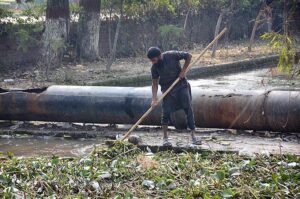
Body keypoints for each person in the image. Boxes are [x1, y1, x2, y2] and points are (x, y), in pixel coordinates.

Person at [147, 47, 202, 146]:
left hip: (181, 86)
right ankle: (165, 138)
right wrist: (154, 99)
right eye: (151, 61)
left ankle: (194, 135)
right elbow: (154, 83)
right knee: (166, 112)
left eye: (154, 60)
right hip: (167, 90)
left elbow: (188, 56)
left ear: (159, 56)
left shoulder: (172, 55)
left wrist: (183, 71)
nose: (153, 62)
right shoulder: (154, 67)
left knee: (188, 108)